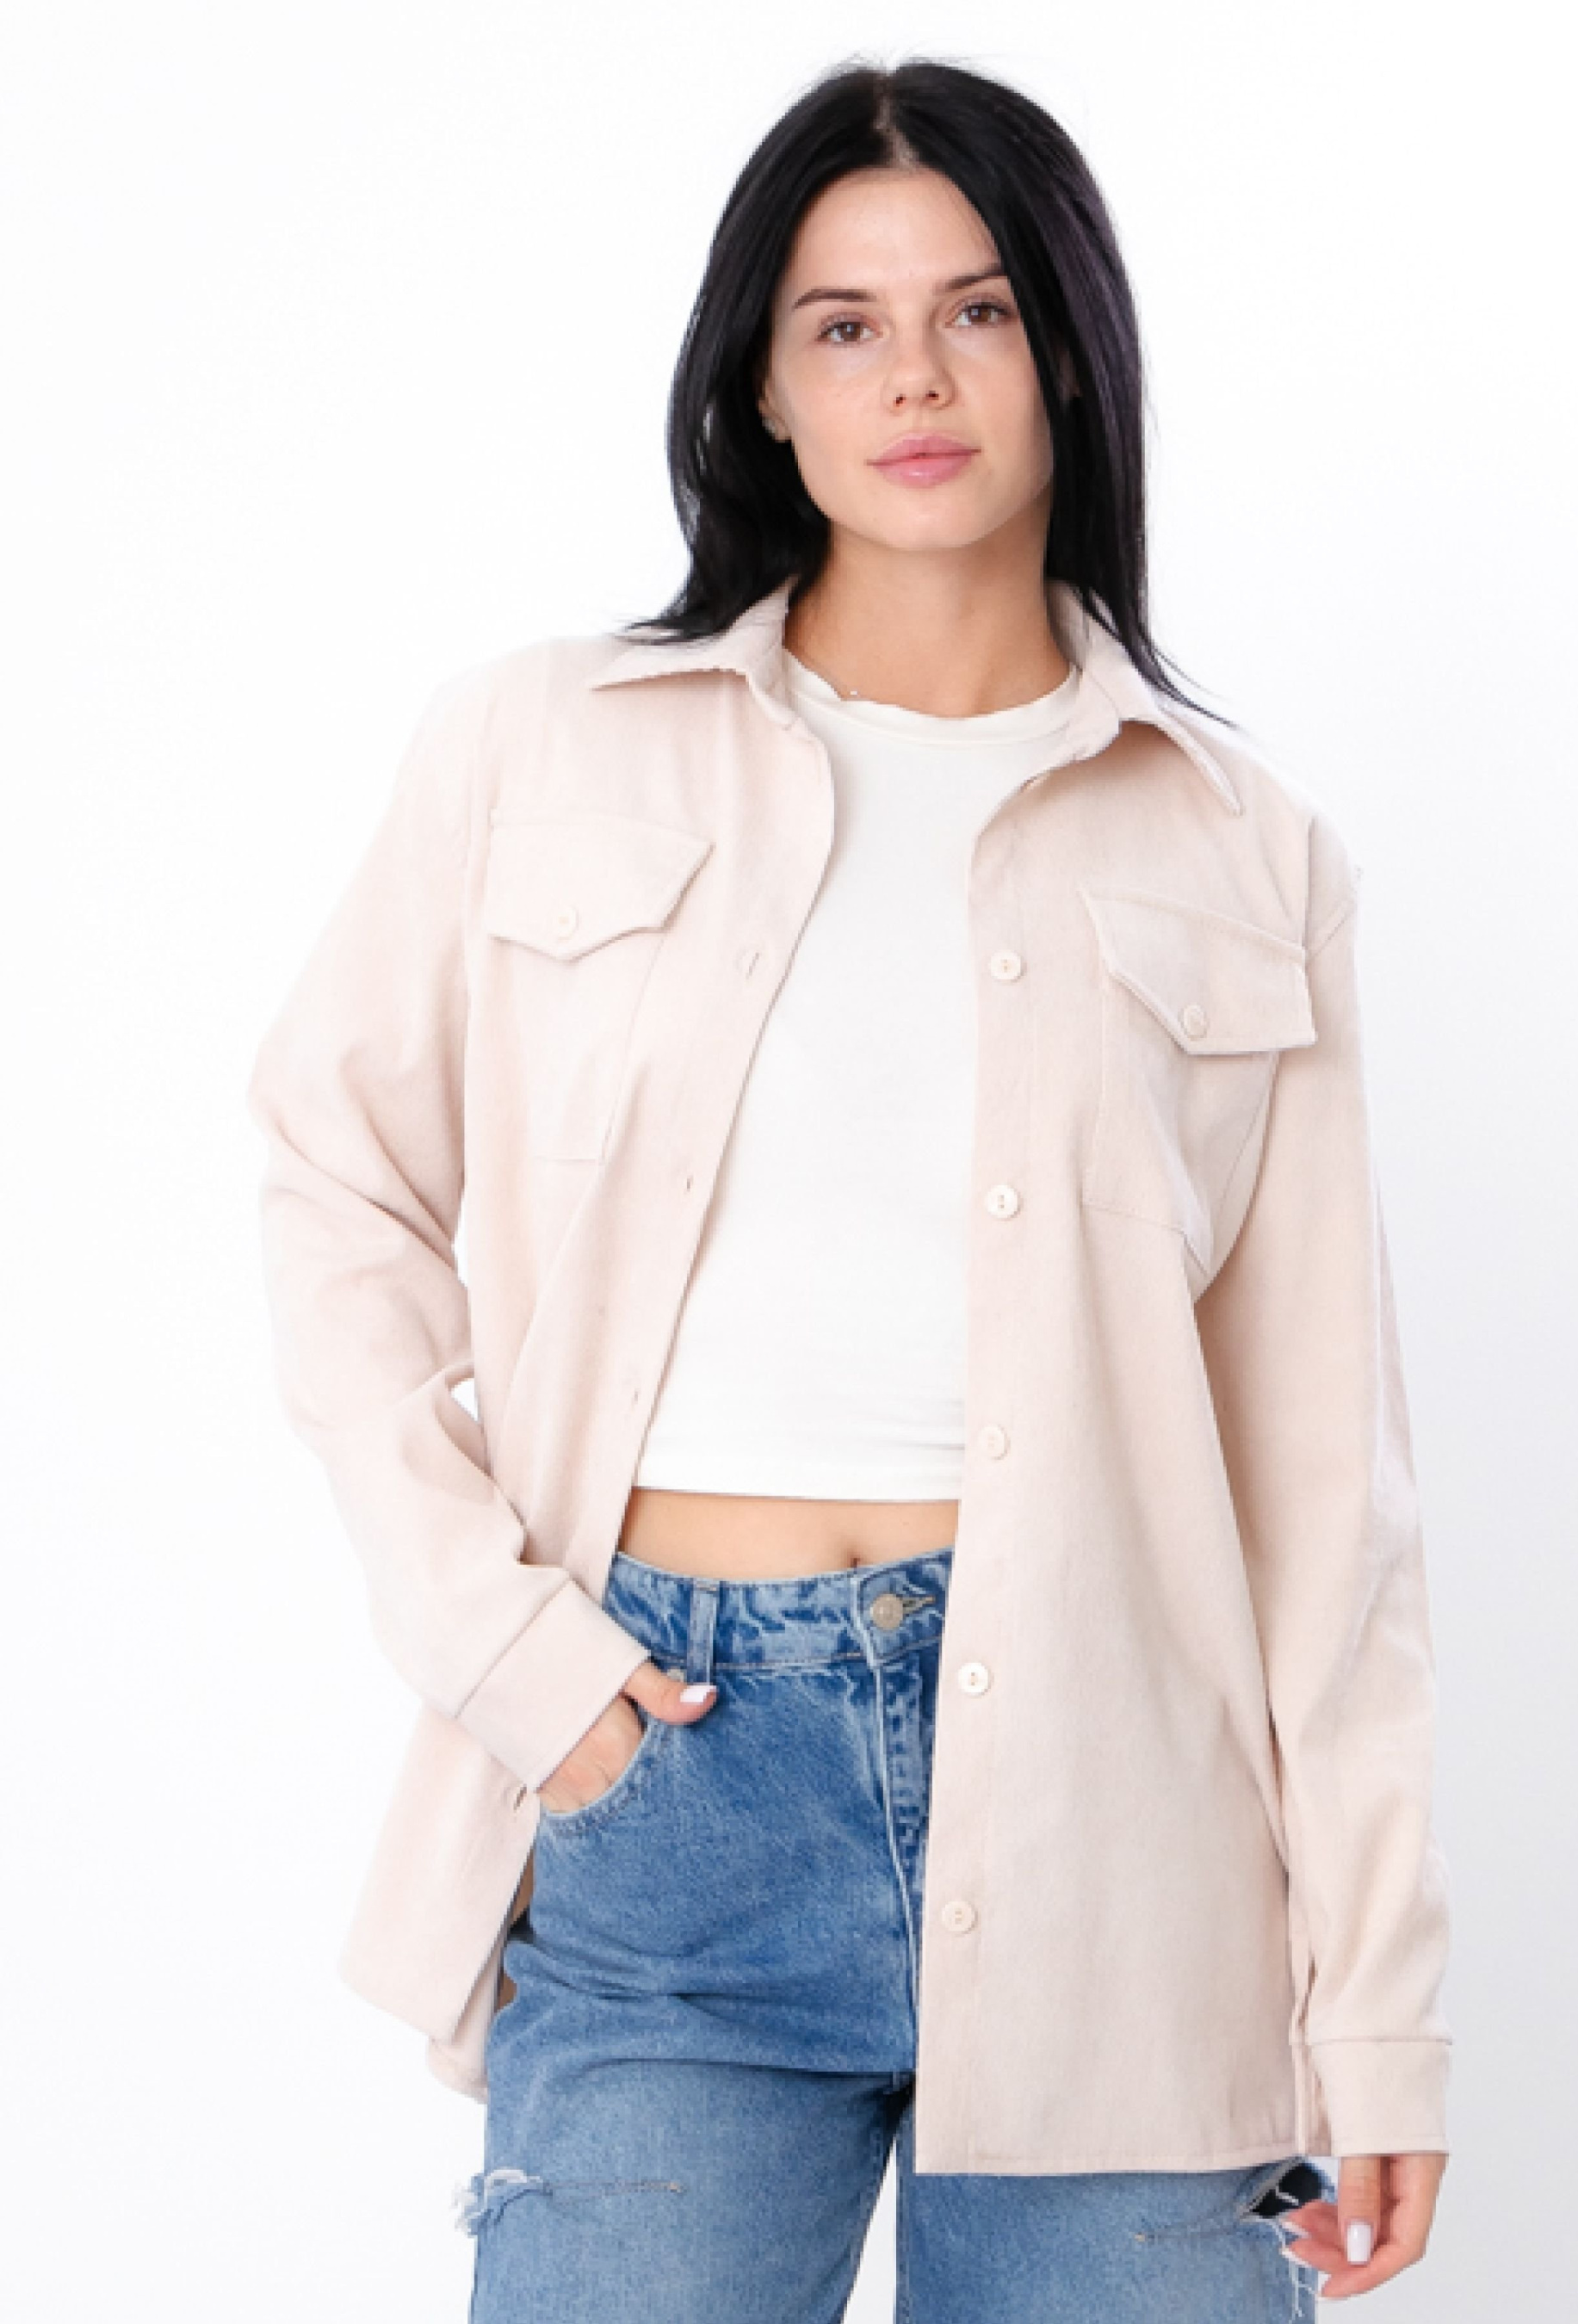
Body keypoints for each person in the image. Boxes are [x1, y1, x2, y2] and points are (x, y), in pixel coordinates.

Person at [246, 54, 1452, 2320]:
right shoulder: (539, 745)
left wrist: (1377, 2000)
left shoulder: (1241, 848)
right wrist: (516, 1658)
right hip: (668, 1795)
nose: (915, 376)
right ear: (760, 387)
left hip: (1126, 1840)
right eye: (844, 324)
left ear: (1067, 357)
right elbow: (337, 1182)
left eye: (978, 310)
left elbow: (1326, 1492)